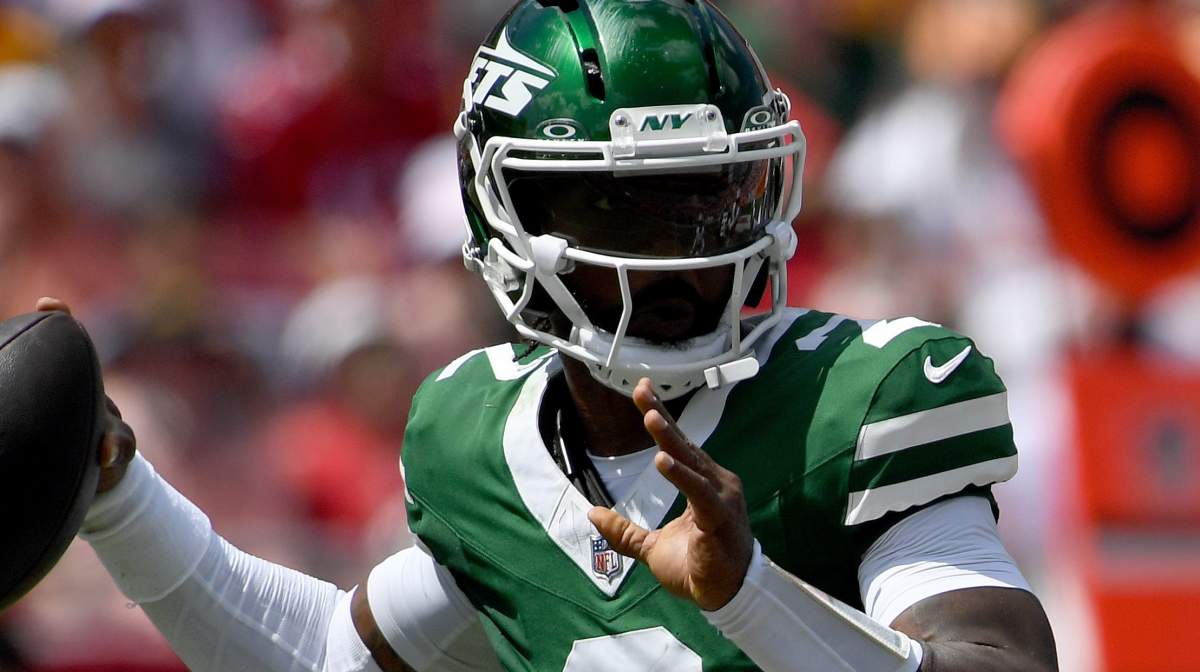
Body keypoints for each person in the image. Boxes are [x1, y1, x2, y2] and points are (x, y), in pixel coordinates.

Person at [57, 1, 1058, 670]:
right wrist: (119, 497)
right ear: (509, 216)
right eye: (626, 213)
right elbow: (326, 657)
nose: (687, 261)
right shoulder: (483, 440)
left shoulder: (858, 402)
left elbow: (995, 662)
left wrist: (750, 594)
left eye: (711, 204)